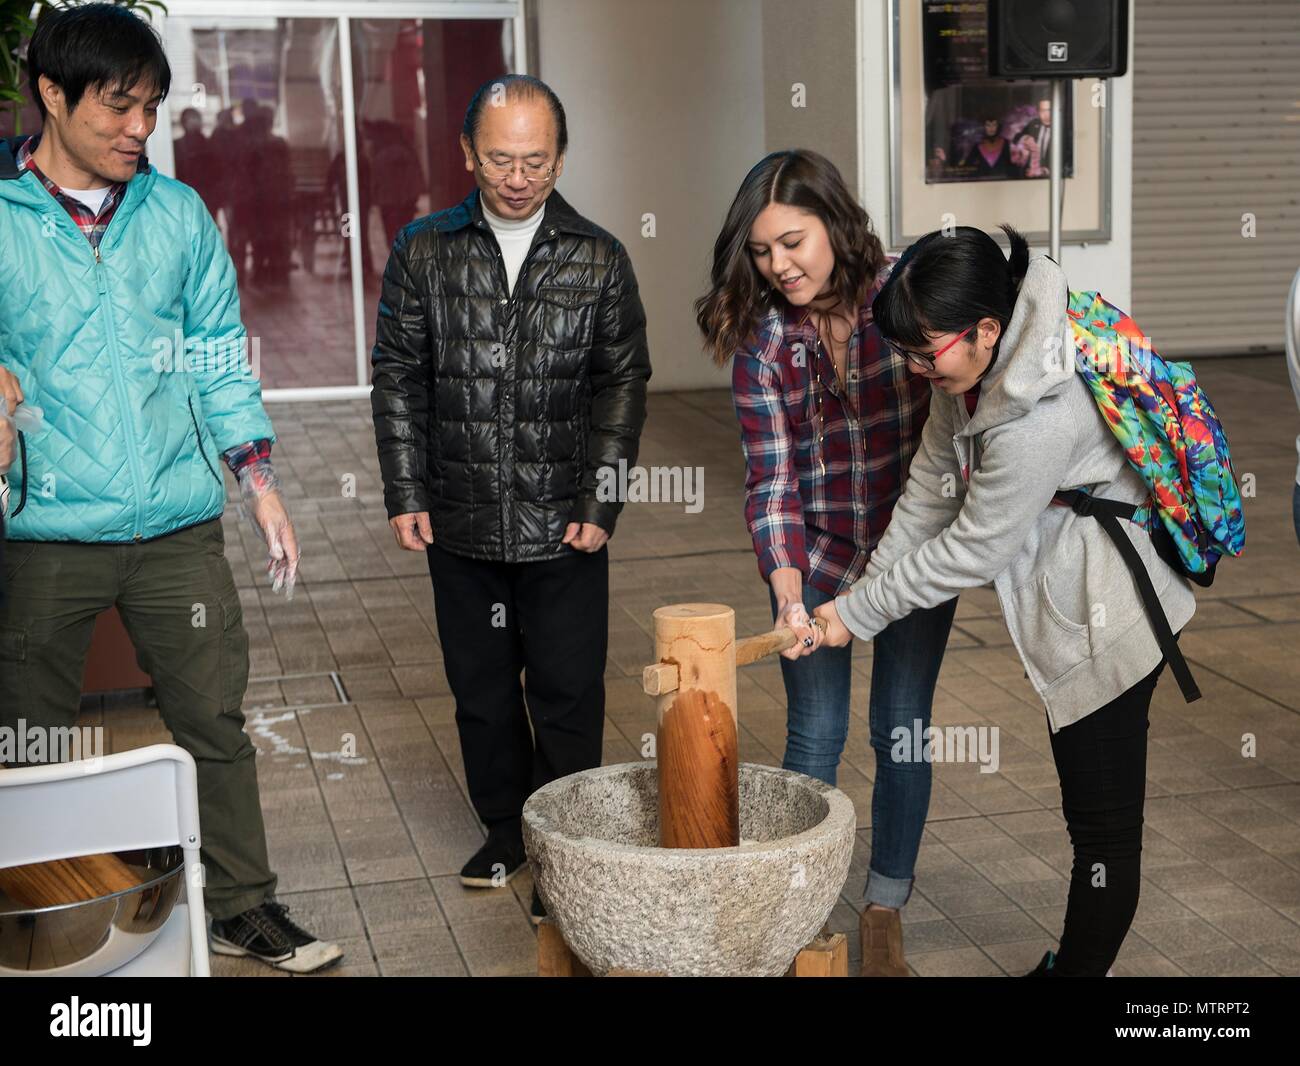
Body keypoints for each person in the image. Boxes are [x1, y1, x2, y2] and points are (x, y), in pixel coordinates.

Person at [0, 3, 340, 972]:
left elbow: (218, 357)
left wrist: (259, 483)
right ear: (53, 96)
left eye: (149, 107)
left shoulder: (178, 215)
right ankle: (34, 916)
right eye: (117, 107)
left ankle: (241, 903)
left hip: (176, 528)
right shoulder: (3, 223)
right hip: (46, 534)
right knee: (26, 735)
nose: (138, 129)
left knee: (214, 723)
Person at [809, 225, 1197, 977]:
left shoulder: (1041, 410)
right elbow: (928, 490)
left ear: (986, 329)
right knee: (1091, 819)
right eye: (909, 355)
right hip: (1068, 600)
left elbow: (972, 548)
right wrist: (858, 596)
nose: (919, 370)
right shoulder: (977, 366)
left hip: (1111, 619)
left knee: (1103, 834)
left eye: (928, 353)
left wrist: (854, 615)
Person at [370, 74, 651, 924]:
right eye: (500, 159)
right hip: (459, 517)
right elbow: (398, 377)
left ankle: (564, 852)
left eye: (536, 160)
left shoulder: (599, 255)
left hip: (565, 524)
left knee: (568, 693)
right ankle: (505, 833)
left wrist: (601, 504)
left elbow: (623, 385)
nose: (519, 176)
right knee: (483, 694)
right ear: (466, 154)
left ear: (560, 156)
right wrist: (405, 487)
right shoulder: (424, 249)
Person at [695, 149, 957, 977]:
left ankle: (883, 912)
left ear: (835, 225)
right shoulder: (764, 339)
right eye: (763, 252)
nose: (779, 267)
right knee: (815, 731)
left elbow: (952, 432)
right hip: (815, 555)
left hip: (911, 555)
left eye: (794, 243)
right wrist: (786, 595)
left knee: (901, 730)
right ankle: (796, 914)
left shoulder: (906, 299)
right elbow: (770, 478)